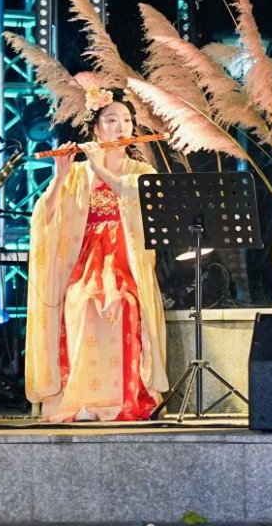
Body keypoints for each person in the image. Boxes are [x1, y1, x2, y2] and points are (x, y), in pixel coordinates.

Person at [26, 86, 168, 422]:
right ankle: (82, 399)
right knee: (81, 301)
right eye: (111, 120)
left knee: (122, 304)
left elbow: (137, 201)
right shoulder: (77, 174)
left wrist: (99, 167)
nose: (121, 128)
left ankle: (123, 398)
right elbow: (45, 218)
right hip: (86, 261)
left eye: (126, 121)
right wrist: (60, 177)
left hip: (126, 263)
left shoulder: (141, 172)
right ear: (95, 129)